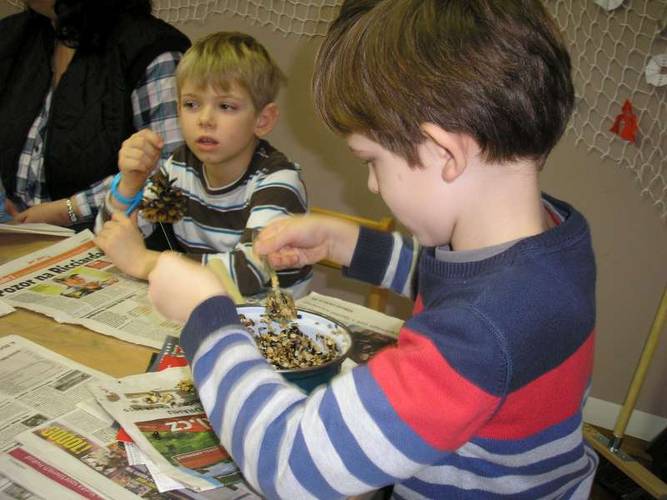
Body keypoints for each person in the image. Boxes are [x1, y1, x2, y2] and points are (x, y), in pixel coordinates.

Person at [147, 0, 598, 498]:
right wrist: (345, 242)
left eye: (371, 161)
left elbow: (290, 464)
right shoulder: (549, 240)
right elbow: (455, 283)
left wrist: (206, 316)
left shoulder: (481, 333)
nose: (373, 185)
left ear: (444, 151)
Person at [95, 32, 311, 298]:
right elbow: (111, 240)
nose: (205, 119)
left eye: (226, 106)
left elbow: (247, 274)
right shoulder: (180, 168)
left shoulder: (279, 182)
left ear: (262, 120)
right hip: (207, 301)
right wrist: (129, 184)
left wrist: (144, 261)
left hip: (271, 315)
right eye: (192, 104)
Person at [0, 0, 190, 227]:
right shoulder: (14, 35)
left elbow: (171, 174)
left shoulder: (152, 50)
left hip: (111, 233)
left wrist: (70, 209)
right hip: (20, 232)